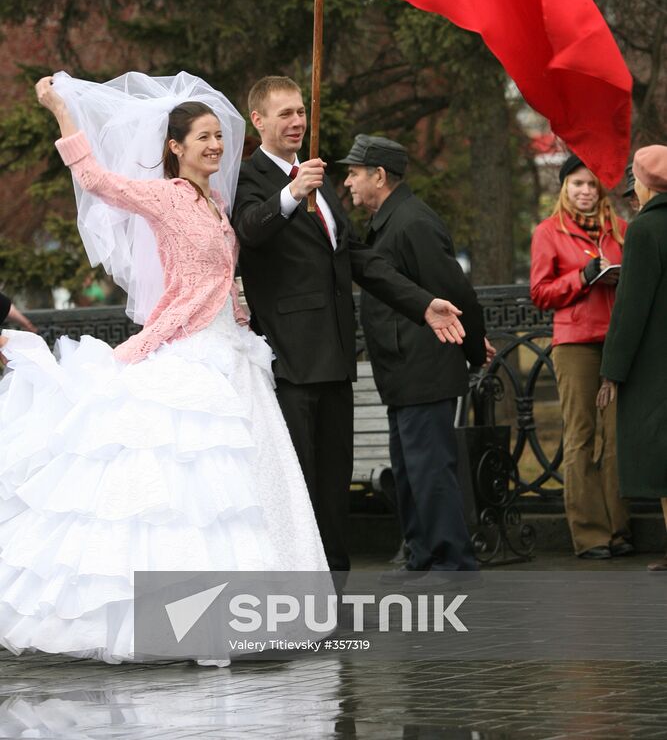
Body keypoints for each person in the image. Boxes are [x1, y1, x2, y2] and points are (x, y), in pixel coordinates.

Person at [0, 70, 327, 665]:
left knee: (251, 491)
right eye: (202, 138)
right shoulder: (170, 197)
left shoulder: (216, 201)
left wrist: (239, 309)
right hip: (190, 353)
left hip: (233, 351)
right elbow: (96, 179)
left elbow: (218, 275)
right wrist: (60, 112)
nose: (215, 146)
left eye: (218, 138)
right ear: (175, 148)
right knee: (193, 493)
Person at [231, 76, 467, 572]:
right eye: (285, 114)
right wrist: (293, 193)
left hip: (337, 359)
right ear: (258, 121)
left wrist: (422, 304)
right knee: (300, 485)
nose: (297, 122)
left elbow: (357, 256)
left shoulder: (313, 175)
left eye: (301, 112)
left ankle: (335, 585)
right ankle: (300, 588)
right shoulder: (248, 177)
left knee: (335, 483)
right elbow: (249, 231)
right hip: (289, 361)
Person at [341, 134, 491, 577]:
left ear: (379, 176)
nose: (347, 181)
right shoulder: (392, 220)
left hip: (424, 368)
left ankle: (453, 561)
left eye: (354, 172)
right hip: (405, 371)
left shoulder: (412, 222)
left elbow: (454, 290)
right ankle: (423, 553)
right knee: (410, 471)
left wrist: (472, 345)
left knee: (430, 471)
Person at [530, 153, 631, 559]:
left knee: (617, 437)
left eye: (592, 185)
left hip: (619, 342)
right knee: (582, 435)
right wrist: (584, 277)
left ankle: (620, 529)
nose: (586, 192)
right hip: (575, 343)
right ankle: (590, 534)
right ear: (564, 188)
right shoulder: (548, 232)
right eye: (577, 184)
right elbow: (540, 293)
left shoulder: (621, 231)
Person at [597, 146, 667, 571]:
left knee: (660, 456)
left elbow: (631, 308)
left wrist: (612, 371)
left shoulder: (645, 230)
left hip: (657, 363)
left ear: (644, 182)